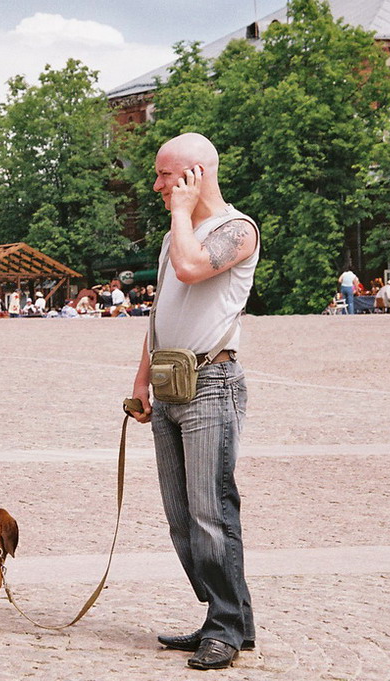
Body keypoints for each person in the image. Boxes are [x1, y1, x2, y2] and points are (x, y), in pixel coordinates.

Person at [127, 133, 259, 671]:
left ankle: (225, 628)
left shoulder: (237, 229)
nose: (158, 185)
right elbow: (161, 310)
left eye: (166, 176)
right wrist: (140, 380)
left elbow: (190, 268)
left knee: (212, 513)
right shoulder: (172, 237)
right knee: (182, 517)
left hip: (212, 382)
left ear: (196, 175)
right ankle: (227, 620)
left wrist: (184, 212)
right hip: (170, 381)